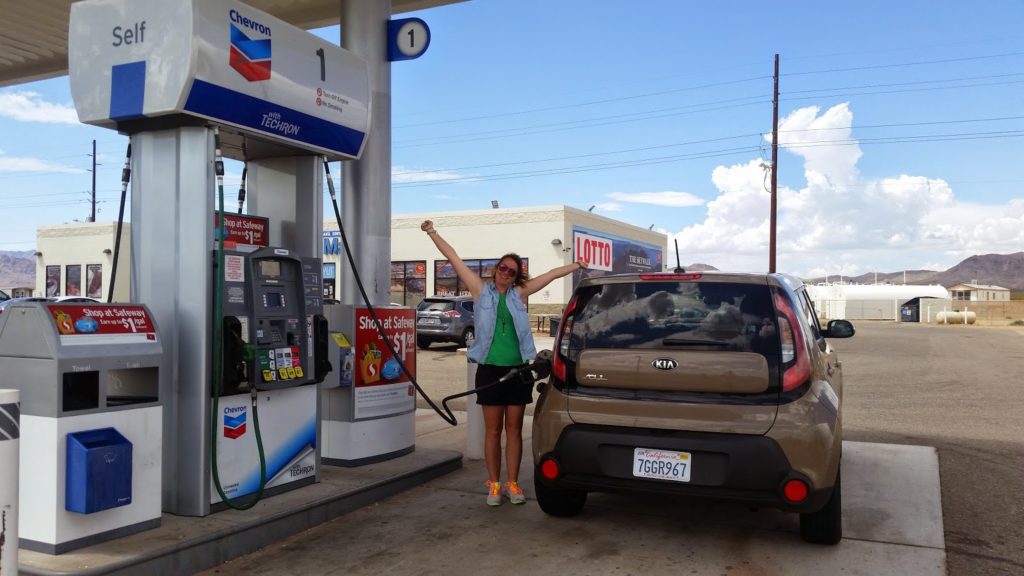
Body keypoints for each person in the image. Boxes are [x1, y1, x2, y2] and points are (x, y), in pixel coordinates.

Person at [421, 219, 588, 506]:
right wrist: (432, 232)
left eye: (512, 271)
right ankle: (494, 486)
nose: (506, 273)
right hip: (489, 371)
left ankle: (512, 484)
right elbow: (453, 258)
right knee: (493, 430)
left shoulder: (519, 294)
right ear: (495, 269)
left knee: (513, 430)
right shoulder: (479, 290)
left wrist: (576, 265)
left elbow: (550, 274)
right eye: (503, 268)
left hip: (517, 372)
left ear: (516, 276)